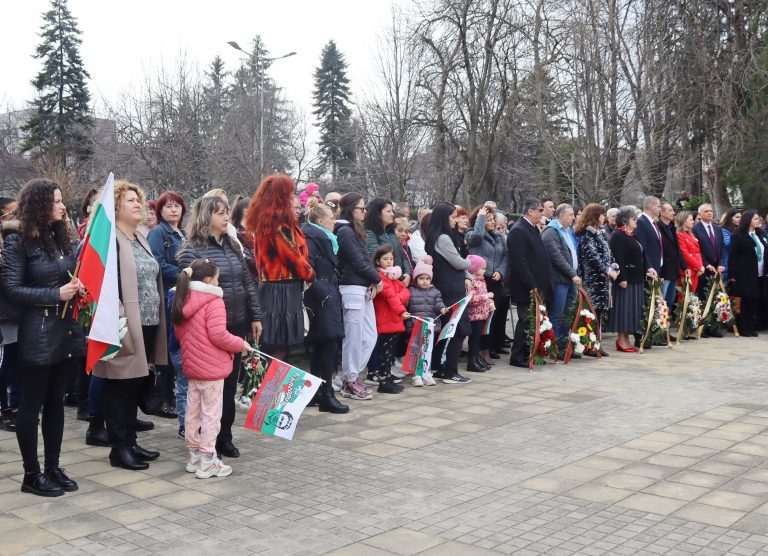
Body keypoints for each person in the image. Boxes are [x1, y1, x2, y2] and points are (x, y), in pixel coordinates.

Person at [1, 179, 85, 496]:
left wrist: (78, 288)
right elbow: (11, 289)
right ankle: (31, 474)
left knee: (55, 404)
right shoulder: (18, 241)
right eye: (57, 202)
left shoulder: (60, 237)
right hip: (37, 331)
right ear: (39, 205)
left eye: (62, 201)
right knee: (31, 405)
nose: (63, 207)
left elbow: (70, 275)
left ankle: (52, 467)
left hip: (64, 330)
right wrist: (56, 293)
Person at [90, 181, 166, 471]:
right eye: (130, 200)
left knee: (135, 383)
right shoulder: (110, 239)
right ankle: (119, 448)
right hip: (123, 324)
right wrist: (117, 313)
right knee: (120, 386)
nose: (139, 204)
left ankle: (130, 442)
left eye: (139, 199)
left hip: (147, 322)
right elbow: (101, 282)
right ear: (115, 207)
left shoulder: (139, 238)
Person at [179, 196, 262, 459]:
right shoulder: (193, 250)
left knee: (228, 385)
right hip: (209, 331)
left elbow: (247, 283)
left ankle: (224, 435)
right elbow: (188, 292)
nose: (226, 218)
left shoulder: (232, 245)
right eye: (219, 213)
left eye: (227, 212)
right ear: (206, 217)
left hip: (236, 323)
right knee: (208, 388)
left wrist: (255, 316)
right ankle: (205, 441)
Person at [172, 259, 254, 478]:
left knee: (193, 412)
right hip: (212, 367)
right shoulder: (213, 301)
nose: (219, 283)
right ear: (209, 281)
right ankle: (208, 459)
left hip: (192, 366)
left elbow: (180, 334)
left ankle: (194, 456)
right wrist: (240, 344)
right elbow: (218, 335)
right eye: (218, 279)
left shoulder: (183, 299)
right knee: (211, 414)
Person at [246, 175, 314, 362]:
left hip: (273, 287)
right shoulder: (279, 222)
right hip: (281, 289)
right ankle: (267, 389)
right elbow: (293, 258)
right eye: (289, 193)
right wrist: (310, 274)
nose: (292, 196)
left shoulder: (267, 219)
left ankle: (262, 388)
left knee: (272, 345)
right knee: (278, 346)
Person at [301, 205, 349, 413]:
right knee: (327, 345)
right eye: (331, 218)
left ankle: (316, 393)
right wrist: (324, 292)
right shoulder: (313, 239)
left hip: (326, 295)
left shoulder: (324, 238)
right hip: (320, 299)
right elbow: (307, 268)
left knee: (324, 345)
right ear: (320, 221)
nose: (334, 221)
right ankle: (326, 395)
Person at [335, 193, 382, 400]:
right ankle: (349, 379)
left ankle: (349, 376)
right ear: (350, 209)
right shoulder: (344, 231)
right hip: (351, 287)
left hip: (363, 286)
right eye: (361, 209)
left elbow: (364, 259)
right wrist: (377, 279)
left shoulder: (355, 230)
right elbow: (356, 261)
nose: (364, 212)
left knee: (370, 336)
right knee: (353, 338)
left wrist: (373, 279)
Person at [147, 191, 187, 419]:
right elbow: (157, 263)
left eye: (177, 206)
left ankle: (174, 396)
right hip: (167, 295)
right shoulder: (158, 232)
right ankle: (165, 398)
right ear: (160, 210)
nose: (173, 210)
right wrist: (184, 274)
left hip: (182, 295)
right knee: (169, 348)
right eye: (168, 206)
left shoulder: (182, 233)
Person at [425, 202, 472, 383]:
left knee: (450, 329)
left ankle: (441, 368)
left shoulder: (439, 236)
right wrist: (473, 262)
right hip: (451, 288)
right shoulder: (443, 238)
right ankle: (450, 370)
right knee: (457, 329)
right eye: (453, 217)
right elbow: (459, 263)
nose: (455, 220)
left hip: (450, 285)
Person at [465, 205, 509, 361]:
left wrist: (501, 271)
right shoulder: (473, 233)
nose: (492, 222)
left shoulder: (498, 236)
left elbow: (505, 256)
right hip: (480, 279)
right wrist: (481, 218)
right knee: (479, 317)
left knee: (492, 315)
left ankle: (488, 347)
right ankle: (477, 351)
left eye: (493, 219)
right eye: (488, 220)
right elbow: (475, 238)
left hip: (495, 278)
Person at [576, 203, 618, 357]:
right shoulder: (587, 235)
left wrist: (614, 267)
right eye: (602, 214)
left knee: (598, 313)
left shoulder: (599, 233)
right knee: (592, 313)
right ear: (594, 216)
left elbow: (608, 253)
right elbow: (593, 257)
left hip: (603, 281)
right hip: (594, 281)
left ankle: (596, 344)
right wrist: (607, 270)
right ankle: (590, 345)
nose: (604, 217)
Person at [606, 207, 647, 352]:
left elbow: (641, 254)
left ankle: (627, 339)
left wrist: (648, 269)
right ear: (624, 221)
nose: (636, 220)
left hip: (636, 278)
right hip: (625, 279)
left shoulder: (631, 235)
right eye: (633, 218)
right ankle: (621, 340)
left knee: (632, 310)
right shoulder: (618, 235)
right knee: (624, 310)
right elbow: (618, 259)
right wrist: (622, 278)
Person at [541, 203, 581, 353]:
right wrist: (572, 273)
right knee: (557, 314)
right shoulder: (551, 231)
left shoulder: (567, 230)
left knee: (568, 314)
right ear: (561, 215)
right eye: (570, 215)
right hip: (559, 280)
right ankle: (555, 347)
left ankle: (565, 345)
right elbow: (556, 257)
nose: (573, 218)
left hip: (570, 279)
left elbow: (572, 252)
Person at [371, 245, 410, 394]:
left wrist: (398, 300)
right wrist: (401, 309)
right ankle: (383, 381)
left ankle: (387, 378)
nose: (389, 261)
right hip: (387, 318)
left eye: (391, 259)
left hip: (394, 317)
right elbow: (389, 295)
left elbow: (404, 292)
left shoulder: (392, 276)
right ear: (378, 261)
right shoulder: (380, 277)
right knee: (385, 352)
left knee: (390, 351)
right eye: (385, 259)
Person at [406, 256, 446, 387]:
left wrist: (442, 309)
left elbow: (438, 304)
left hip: (430, 327)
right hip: (416, 327)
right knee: (417, 350)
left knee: (428, 350)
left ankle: (426, 373)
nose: (424, 281)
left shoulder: (435, 292)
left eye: (427, 278)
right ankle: (417, 375)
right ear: (416, 279)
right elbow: (406, 305)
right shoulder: (411, 291)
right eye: (421, 278)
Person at [728, 209, 767, 337]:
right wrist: (732, 275)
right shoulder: (738, 235)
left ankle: (752, 326)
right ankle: (744, 328)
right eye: (755, 219)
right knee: (745, 300)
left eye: (758, 219)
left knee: (754, 299)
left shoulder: (760, 233)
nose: (758, 221)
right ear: (748, 220)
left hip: (760, 272)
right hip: (744, 273)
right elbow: (732, 256)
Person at [0, 197, 21, 432]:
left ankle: (16, 408)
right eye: (13, 214)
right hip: (4, 314)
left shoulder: (15, 241)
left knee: (16, 362)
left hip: (17, 311)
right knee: (6, 363)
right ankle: (4, 409)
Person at [693, 203, 725, 336]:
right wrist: (706, 264)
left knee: (716, 298)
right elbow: (697, 250)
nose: (710, 213)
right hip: (703, 269)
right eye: (706, 211)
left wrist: (721, 263)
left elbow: (722, 247)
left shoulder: (717, 228)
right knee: (702, 298)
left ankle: (714, 327)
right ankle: (702, 327)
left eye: (711, 211)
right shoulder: (695, 229)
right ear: (700, 214)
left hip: (717, 268)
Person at [365, 198, 412, 284]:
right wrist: (398, 275)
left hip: (399, 279)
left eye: (392, 211)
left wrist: (407, 274)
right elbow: (376, 258)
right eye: (388, 211)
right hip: (386, 281)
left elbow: (402, 254)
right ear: (378, 213)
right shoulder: (370, 233)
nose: (392, 214)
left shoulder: (390, 232)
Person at [466, 255, 495, 373]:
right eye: (482, 268)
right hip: (474, 315)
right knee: (474, 339)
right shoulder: (472, 281)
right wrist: (486, 296)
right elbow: (471, 299)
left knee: (478, 339)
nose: (484, 270)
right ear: (474, 268)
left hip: (481, 314)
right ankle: (472, 361)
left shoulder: (481, 280)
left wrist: (490, 303)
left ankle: (477, 359)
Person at [658, 202, 687, 311]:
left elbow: (677, 249)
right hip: (664, 270)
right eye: (670, 210)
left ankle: (666, 324)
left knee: (670, 300)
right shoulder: (658, 226)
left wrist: (684, 267)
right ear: (662, 212)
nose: (673, 213)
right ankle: (660, 326)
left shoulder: (671, 227)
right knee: (662, 300)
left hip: (674, 269)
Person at [633, 196, 662, 287]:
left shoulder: (653, 222)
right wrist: (649, 266)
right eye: (658, 206)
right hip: (650, 270)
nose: (660, 209)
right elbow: (642, 247)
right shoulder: (641, 222)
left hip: (657, 267)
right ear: (651, 206)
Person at [676, 211, 705, 294]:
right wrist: (699, 266)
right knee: (684, 297)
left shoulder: (690, 234)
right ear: (684, 221)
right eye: (691, 220)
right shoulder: (679, 235)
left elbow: (697, 252)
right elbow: (685, 254)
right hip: (687, 270)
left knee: (692, 297)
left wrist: (700, 267)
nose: (693, 222)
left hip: (695, 270)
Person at [720, 208, 742, 281]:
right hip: (728, 265)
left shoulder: (739, 229)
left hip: (739, 264)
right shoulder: (724, 230)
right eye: (737, 217)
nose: (739, 219)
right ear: (730, 218)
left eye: (740, 217)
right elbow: (728, 244)